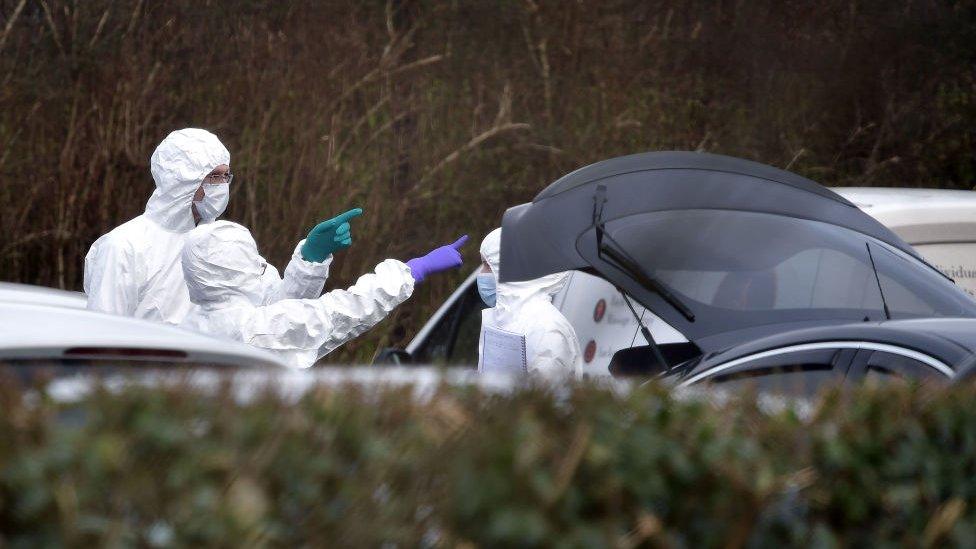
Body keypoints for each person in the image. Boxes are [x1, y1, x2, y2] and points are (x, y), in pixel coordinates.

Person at [83, 128, 331, 324]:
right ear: (180, 179)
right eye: (214, 176)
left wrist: (309, 263)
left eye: (226, 175)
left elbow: (274, 311)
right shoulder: (124, 246)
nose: (222, 185)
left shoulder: (221, 243)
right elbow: (104, 336)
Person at [180, 220, 467, 368]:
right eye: (252, 259)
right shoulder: (255, 330)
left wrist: (309, 261)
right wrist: (411, 271)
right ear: (239, 269)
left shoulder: (189, 326)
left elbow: (280, 315)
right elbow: (345, 312)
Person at [477, 228, 583, 377]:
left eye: (487, 265)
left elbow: (543, 397)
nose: (481, 274)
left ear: (511, 269)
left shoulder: (547, 329)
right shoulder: (506, 319)